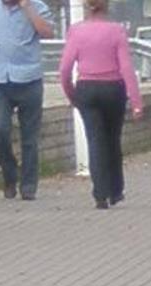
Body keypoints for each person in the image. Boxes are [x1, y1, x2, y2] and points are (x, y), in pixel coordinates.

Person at [59, 0, 144, 210]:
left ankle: (100, 194)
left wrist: (72, 95)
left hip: (87, 88)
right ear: (107, 6)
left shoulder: (76, 31)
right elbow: (126, 67)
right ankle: (116, 190)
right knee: (112, 139)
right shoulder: (116, 31)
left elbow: (64, 69)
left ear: (87, 7)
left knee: (95, 140)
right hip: (113, 88)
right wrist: (136, 102)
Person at [0, 0, 54, 201]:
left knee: (30, 137)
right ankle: (9, 174)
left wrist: (28, 8)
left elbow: (47, 32)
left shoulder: (38, 7)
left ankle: (28, 186)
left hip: (29, 79)